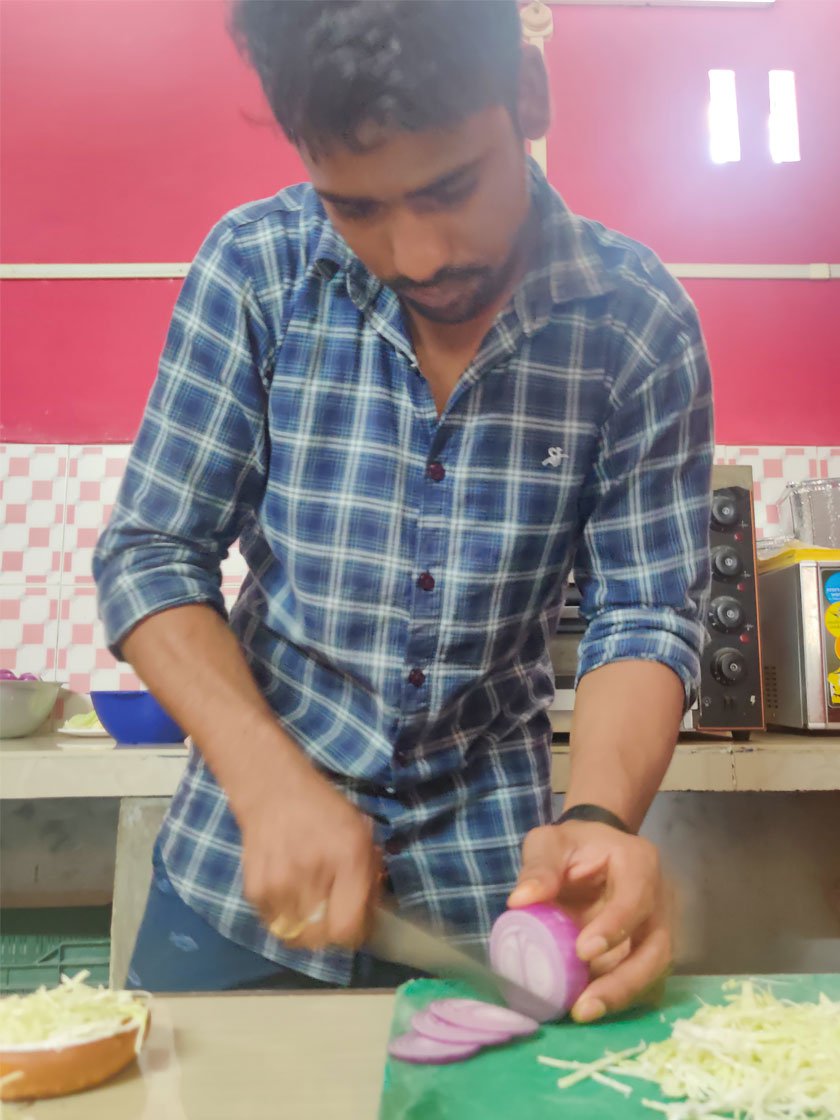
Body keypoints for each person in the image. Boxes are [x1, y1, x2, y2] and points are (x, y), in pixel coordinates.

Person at [94, 0, 713, 1023]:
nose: (417, 254)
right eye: (357, 207)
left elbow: (644, 613)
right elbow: (151, 552)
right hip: (239, 884)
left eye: (449, 188)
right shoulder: (257, 267)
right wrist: (269, 781)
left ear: (527, 95)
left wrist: (600, 819)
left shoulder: (635, 323)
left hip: (490, 903)